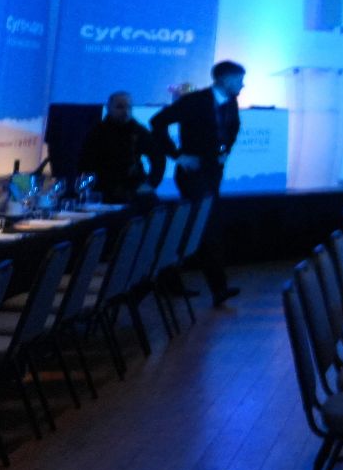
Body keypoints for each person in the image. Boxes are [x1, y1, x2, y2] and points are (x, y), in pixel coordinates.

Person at [150, 60, 245, 306]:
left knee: (197, 226)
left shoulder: (231, 102)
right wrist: (177, 155)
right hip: (193, 173)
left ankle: (168, 278)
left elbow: (233, 129)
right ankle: (216, 288)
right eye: (238, 80)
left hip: (212, 172)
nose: (242, 85)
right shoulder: (194, 101)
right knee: (206, 226)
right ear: (224, 79)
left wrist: (226, 151)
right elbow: (157, 121)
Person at [78, 91, 163, 203]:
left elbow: (158, 156)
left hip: (134, 186)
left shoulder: (138, 131)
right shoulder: (97, 133)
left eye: (129, 107)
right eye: (120, 107)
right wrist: (89, 189)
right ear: (109, 108)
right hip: (104, 188)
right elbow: (85, 164)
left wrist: (151, 183)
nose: (125, 111)